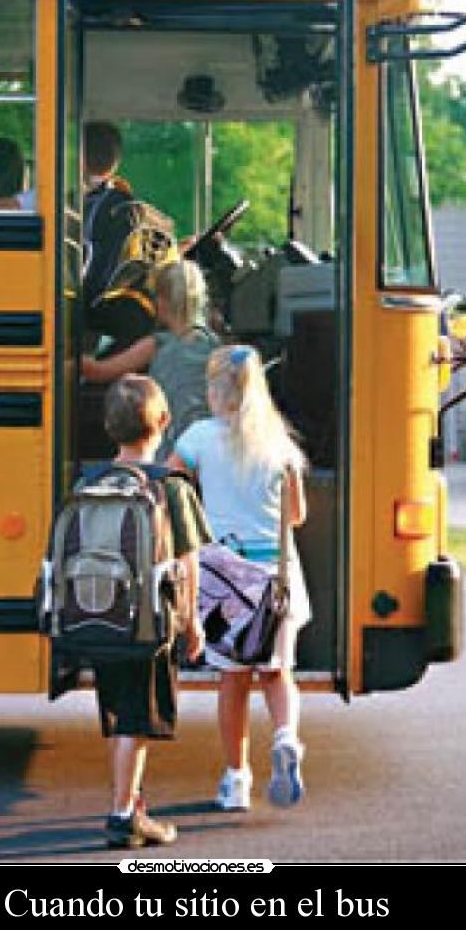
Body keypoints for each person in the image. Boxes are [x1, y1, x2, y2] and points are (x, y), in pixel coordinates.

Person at [167, 345, 311, 811]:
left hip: (225, 579)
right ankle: (285, 737)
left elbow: (170, 484)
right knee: (277, 672)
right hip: (276, 576)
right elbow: (297, 515)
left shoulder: (198, 437)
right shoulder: (279, 444)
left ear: (214, 393)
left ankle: (236, 780)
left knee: (233, 683)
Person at [93, 373, 212, 848]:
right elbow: (188, 561)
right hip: (151, 621)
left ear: (109, 427)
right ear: (164, 421)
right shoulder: (169, 486)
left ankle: (130, 801)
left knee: (120, 713)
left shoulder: (92, 481)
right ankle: (124, 815)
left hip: (101, 615)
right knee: (137, 719)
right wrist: (192, 620)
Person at [82, 259, 220, 460]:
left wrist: (68, 351)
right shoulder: (214, 345)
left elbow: (99, 372)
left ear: (162, 302)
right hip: (205, 449)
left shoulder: (157, 344)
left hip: (169, 450)